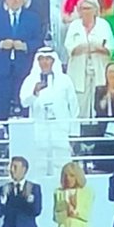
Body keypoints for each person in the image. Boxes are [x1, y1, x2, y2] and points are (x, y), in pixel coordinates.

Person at [19, 47, 78, 177]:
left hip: (61, 130)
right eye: (41, 59)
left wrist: (74, 133)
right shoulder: (30, 80)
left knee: (63, 167)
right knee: (39, 166)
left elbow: (74, 108)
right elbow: (24, 102)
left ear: (53, 61)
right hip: (39, 131)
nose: (44, 62)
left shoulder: (65, 80)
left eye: (48, 59)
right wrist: (34, 93)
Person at [0, 0, 43, 120]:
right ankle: (3, 131)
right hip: (3, 68)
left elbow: (39, 42)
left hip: (24, 67)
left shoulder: (32, 18)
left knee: (23, 101)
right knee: (3, 103)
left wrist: (25, 46)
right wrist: (1, 44)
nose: (16, 1)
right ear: (6, 0)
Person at [64, 0, 114, 120]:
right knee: (80, 103)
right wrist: (85, 47)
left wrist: (95, 47)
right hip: (79, 71)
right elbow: (69, 48)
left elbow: (110, 48)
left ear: (95, 10)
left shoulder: (104, 25)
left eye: (88, 8)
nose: (85, 11)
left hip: (99, 70)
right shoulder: (74, 26)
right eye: (82, 8)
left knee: (98, 102)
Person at [54, 161, 92, 227]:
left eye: (71, 175)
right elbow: (56, 216)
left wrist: (74, 211)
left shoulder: (87, 192)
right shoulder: (58, 192)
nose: (68, 178)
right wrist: (65, 211)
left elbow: (86, 213)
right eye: (65, 175)